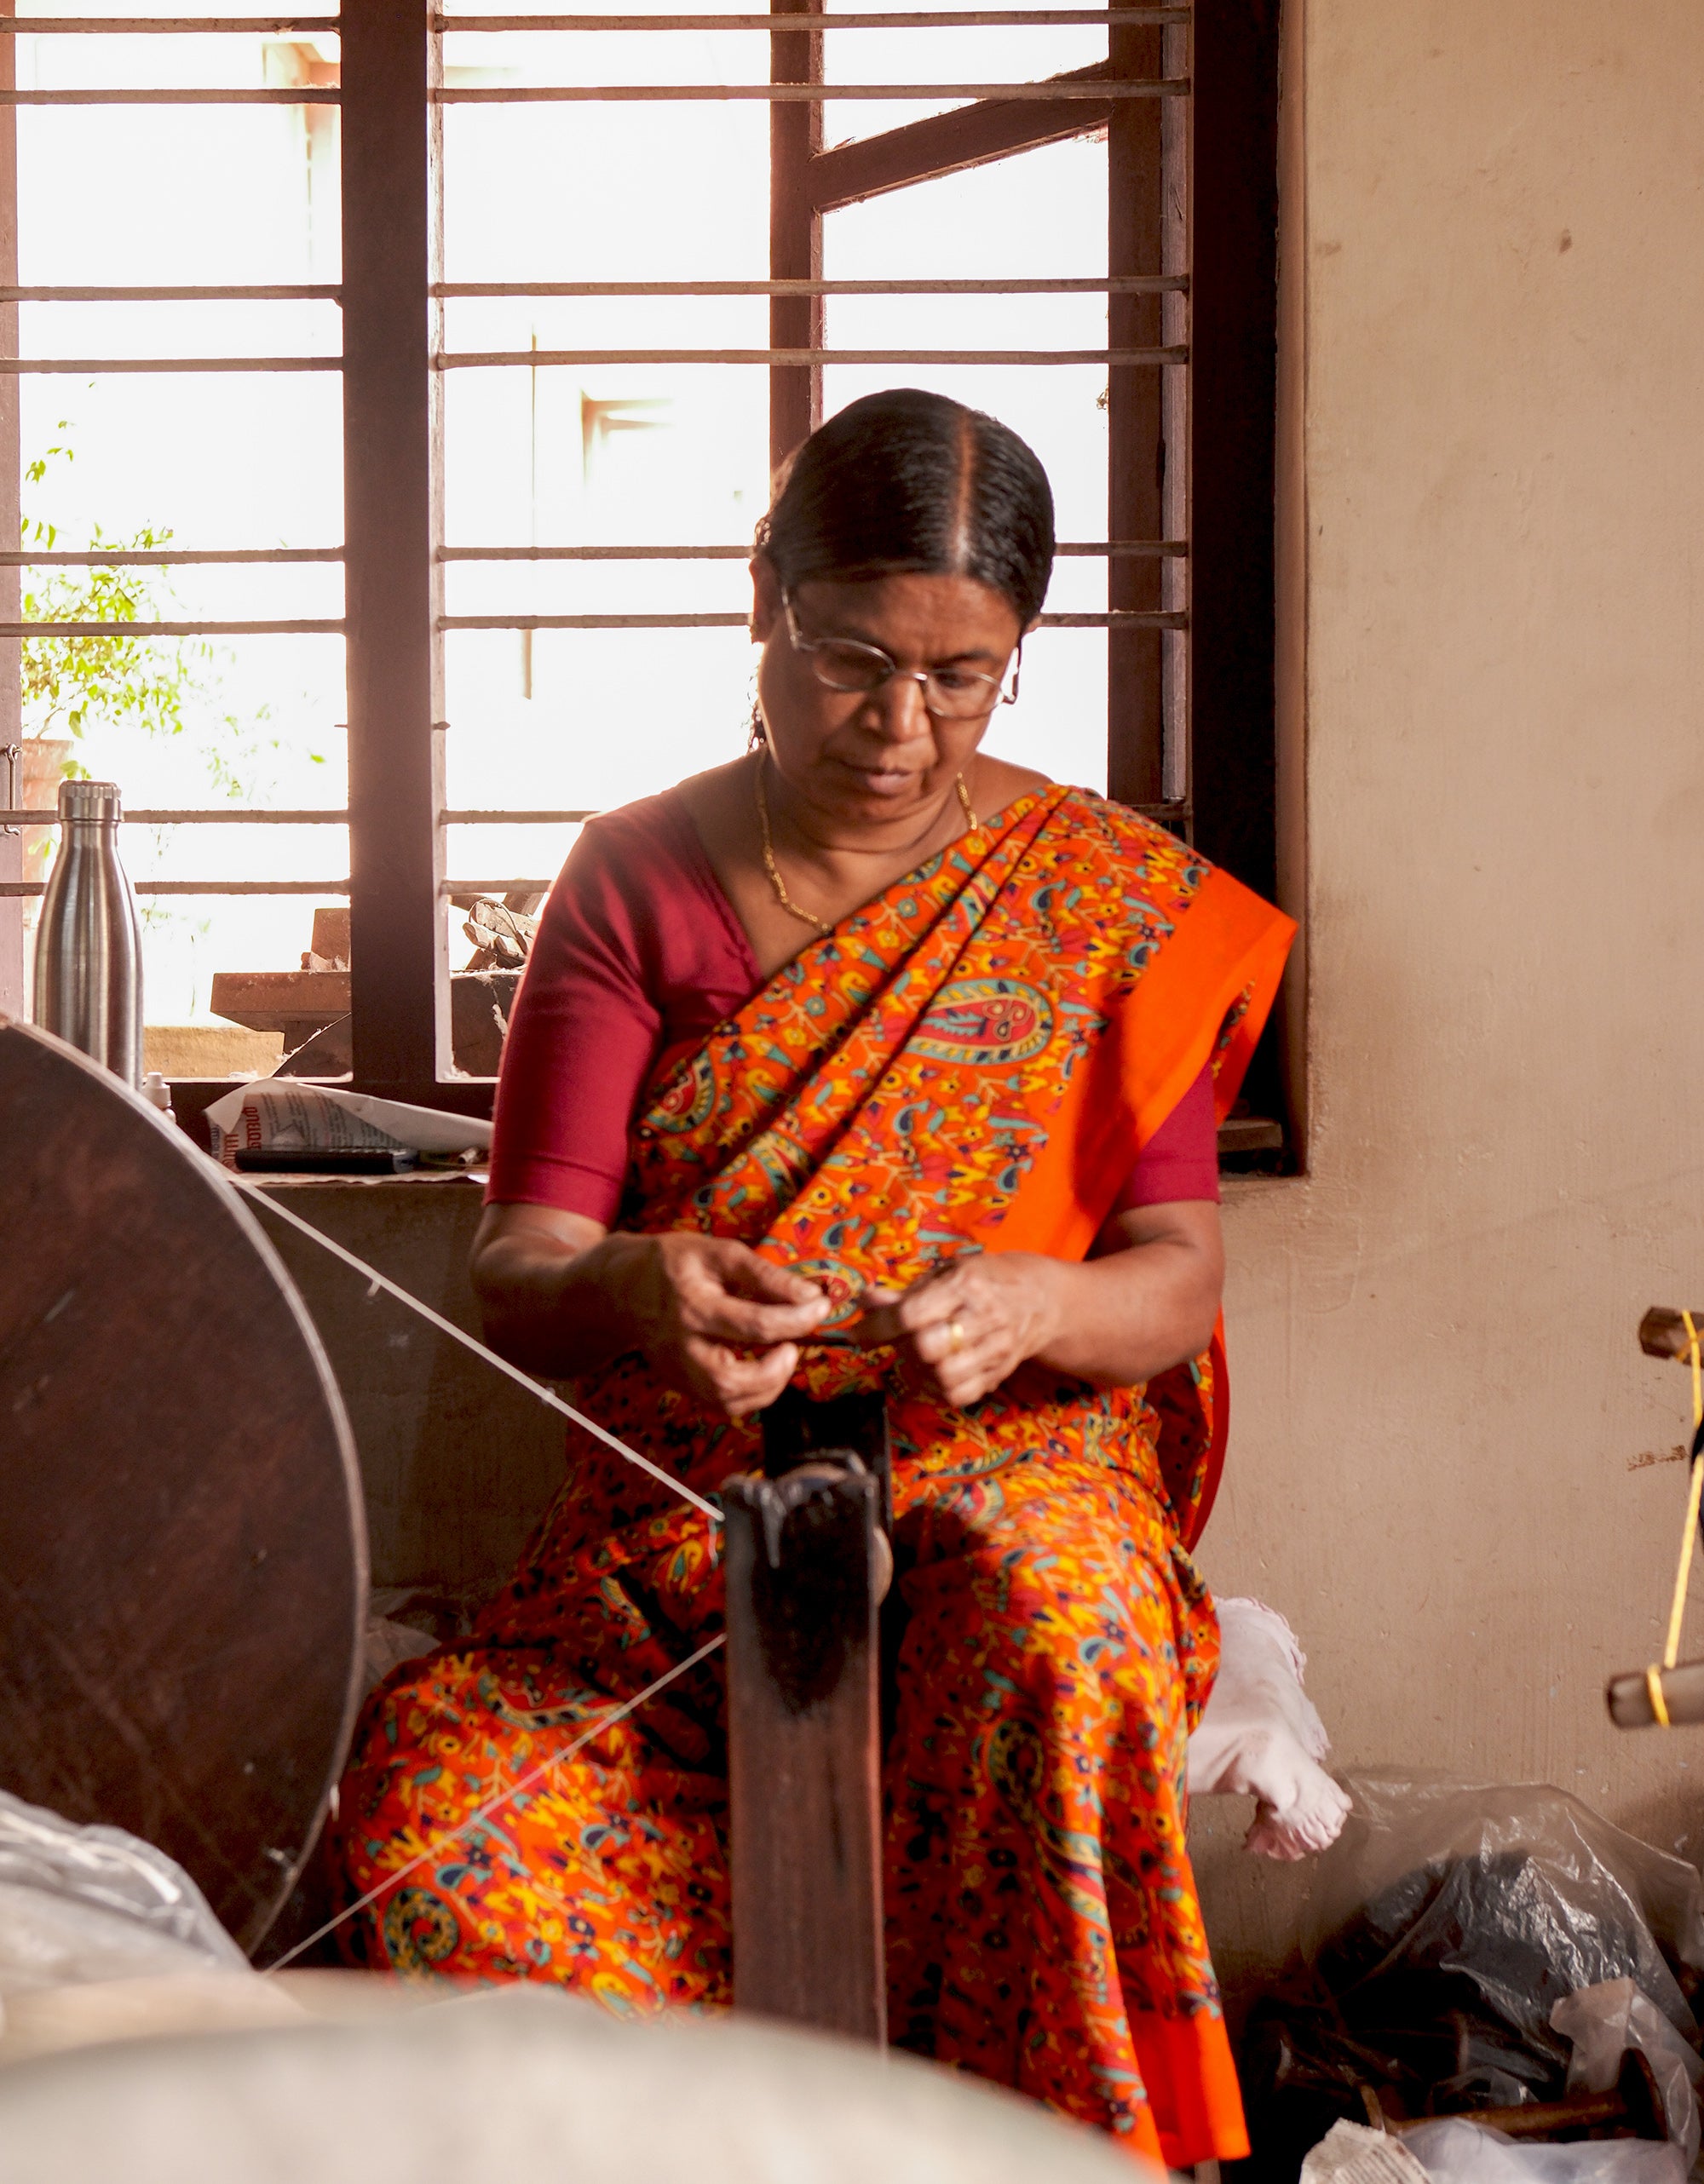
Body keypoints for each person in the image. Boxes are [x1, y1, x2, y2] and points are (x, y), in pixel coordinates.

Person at [331, 388, 1294, 2169]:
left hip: (1010, 1476)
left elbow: (1173, 1275)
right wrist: (638, 1283)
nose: (899, 725)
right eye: (851, 657)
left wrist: (1033, 1304)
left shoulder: (1092, 897)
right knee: (433, 1810)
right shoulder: (631, 881)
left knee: (1057, 1640)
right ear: (761, 598)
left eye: (962, 674)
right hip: (674, 1530)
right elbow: (519, 1255)